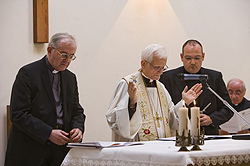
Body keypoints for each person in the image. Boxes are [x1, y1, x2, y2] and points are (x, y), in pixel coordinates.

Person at [5, 33, 86, 166]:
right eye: (64, 54)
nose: (67, 60)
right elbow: (18, 114)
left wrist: (78, 128)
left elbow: (76, 110)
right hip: (30, 149)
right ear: (50, 50)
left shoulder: (70, 77)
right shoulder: (28, 73)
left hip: (59, 150)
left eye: (71, 56)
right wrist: (48, 133)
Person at [106, 44, 202, 142]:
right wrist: (131, 105)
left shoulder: (161, 87)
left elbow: (171, 119)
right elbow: (114, 119)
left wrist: (183, 102)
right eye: (157, 67)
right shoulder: (128, 84)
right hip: (137, 148)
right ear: (143, 64)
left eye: (163, 68)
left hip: (161, 148)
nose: (161, 72)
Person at [160, 39, 233, 135]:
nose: (193, 62)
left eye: (197, 58)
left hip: (208, 134)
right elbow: (163, 111)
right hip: (179, 134)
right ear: (181, 57)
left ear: (203, 56)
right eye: (188, 58)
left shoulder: (215, 77)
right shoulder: (167, 78)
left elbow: (228, 109)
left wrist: (211, 119)